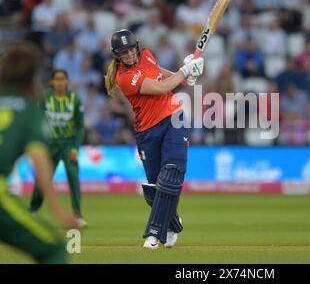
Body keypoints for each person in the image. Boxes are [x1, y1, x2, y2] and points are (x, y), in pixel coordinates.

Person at [104, 29, 204, 249]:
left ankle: (153, 233)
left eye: (131, 50)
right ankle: (172, 224)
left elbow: (158, 73)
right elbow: (160, 88)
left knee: (171, 174)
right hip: (147, 132)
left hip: (174, 118)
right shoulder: (124, 77)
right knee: (154, 190)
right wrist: (184, 70)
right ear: (117, 55)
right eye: (124, 53)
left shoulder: (146, 54)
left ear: (137, 46)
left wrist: (185, 78)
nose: (130, 55)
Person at [0, 43, 79, 263]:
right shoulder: (28, 111)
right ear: (33, 75)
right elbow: (39, 159)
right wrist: (57, 210)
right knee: (53, 250)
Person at [29, 69, 86, 228]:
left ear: (67, 81)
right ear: (52, 82)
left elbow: (80, 126)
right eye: (57, 79)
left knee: (73, 178)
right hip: (49, 145)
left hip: (67, 144)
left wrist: (75, 148)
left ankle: (78, 215)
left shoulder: (74, 99)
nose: (60, 83)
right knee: (43, 179)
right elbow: (37, 120)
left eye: (63, 79)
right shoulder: (44, 98)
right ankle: (33, 209)